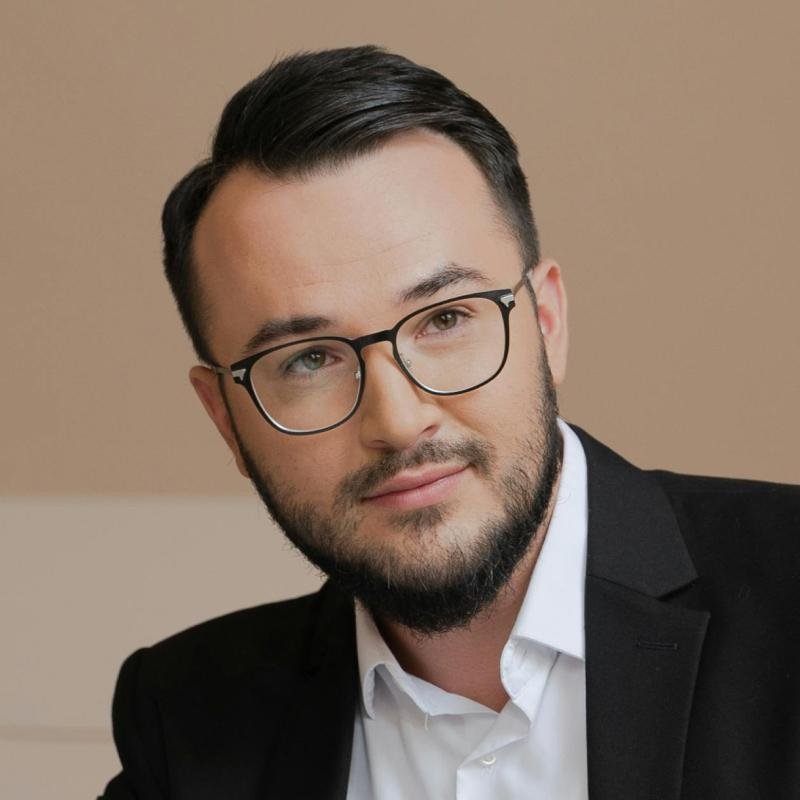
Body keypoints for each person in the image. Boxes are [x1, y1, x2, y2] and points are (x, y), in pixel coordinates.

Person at [99, 45, 799, 800]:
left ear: (547, 321)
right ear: (225, 419)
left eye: (445, 319)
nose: (398, 423)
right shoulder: (186, 717)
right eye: (308, 360)